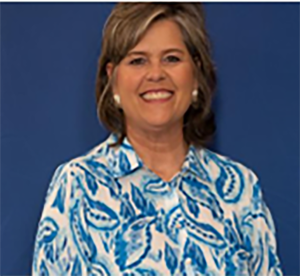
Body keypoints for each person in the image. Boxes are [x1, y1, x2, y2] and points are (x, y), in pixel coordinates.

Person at [32, 3, 282, 275]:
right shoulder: (78, 187)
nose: (155, 74)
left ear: (196, 74)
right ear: (113, 79)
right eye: (137, 60)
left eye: (171, 58)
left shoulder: (241, 190)